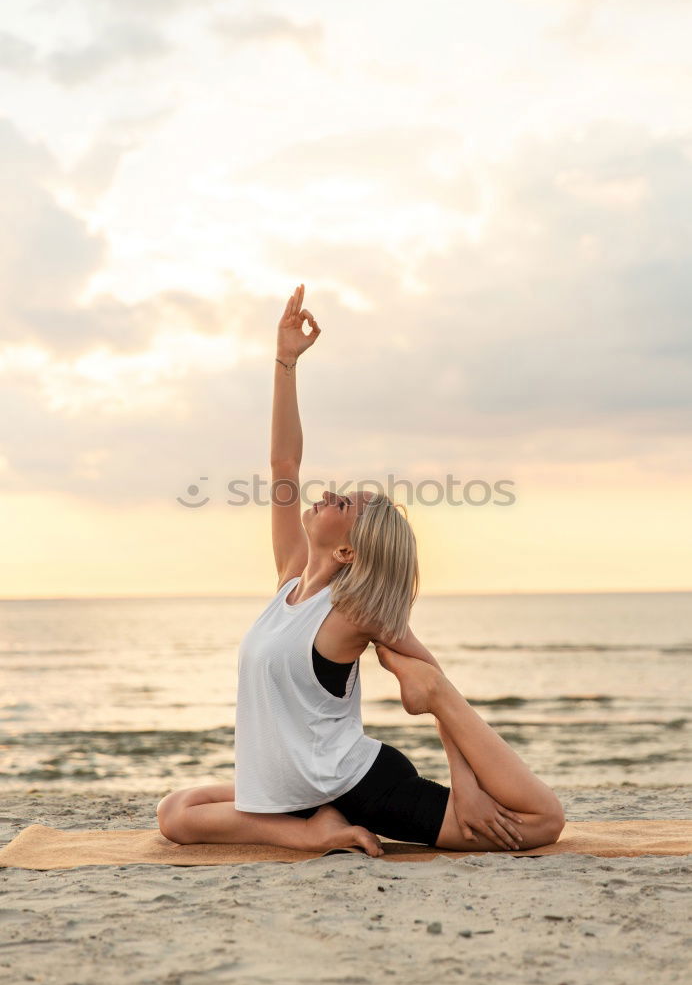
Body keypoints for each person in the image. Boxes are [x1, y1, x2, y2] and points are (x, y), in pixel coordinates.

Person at [157, 284, 565, 857]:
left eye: (343, 505)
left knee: (541, 824)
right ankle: (311, 831)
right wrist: (285, 361)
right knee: (176, 811)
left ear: (349, 553)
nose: (326, 495)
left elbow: (429, 681)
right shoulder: (291, 577)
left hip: (357, 783)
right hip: (296, 792)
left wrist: (466, 786)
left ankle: (319, 826)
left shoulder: (354, 609)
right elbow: (284, 463)